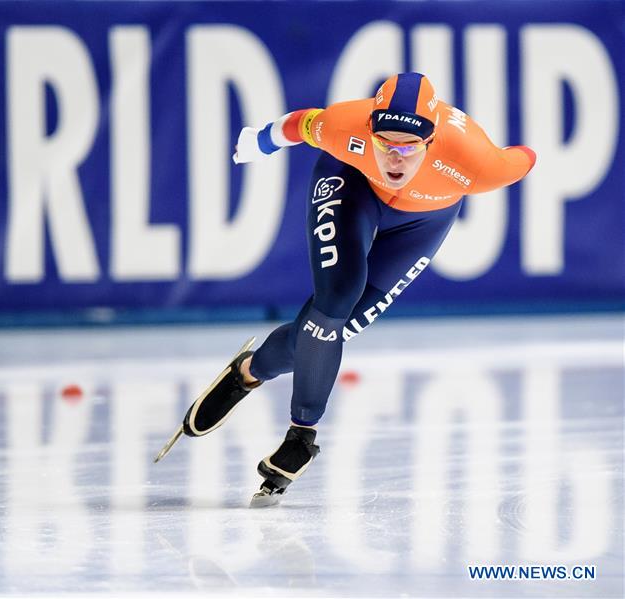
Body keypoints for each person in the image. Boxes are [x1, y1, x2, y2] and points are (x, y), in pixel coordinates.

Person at [161, 72, 537, 506]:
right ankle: (302, 436)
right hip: (350, 184)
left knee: (339, 326)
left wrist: (529, 153)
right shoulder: (345, 127)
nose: (395, 159)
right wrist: (258, 141)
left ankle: (248, 372)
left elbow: (523, 158)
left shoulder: (479, 165)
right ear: (370, 131)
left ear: (431, 143)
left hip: (423, 220)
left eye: (408, 147)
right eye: (385, 143)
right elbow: (298, 124)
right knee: (337, 299)